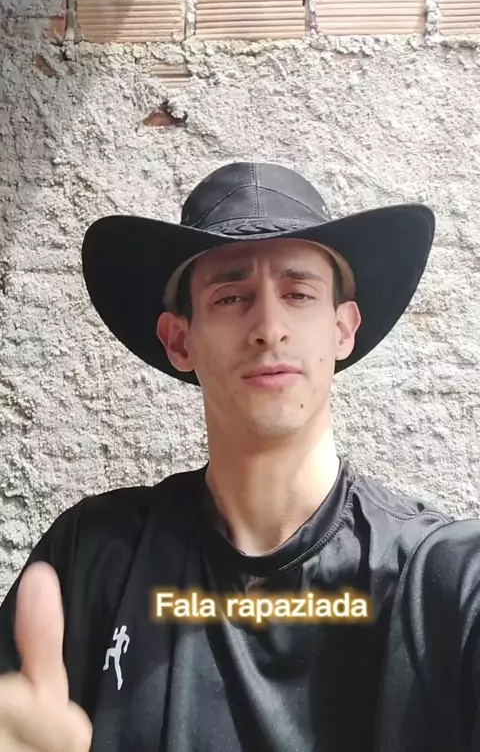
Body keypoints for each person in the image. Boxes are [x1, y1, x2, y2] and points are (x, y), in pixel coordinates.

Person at [0, 161, 479, 752]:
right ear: (180, 340)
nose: (269, 327)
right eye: (231, 297)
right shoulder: (92, 558)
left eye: (298, 293)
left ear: (342, 330)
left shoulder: (445, 583)